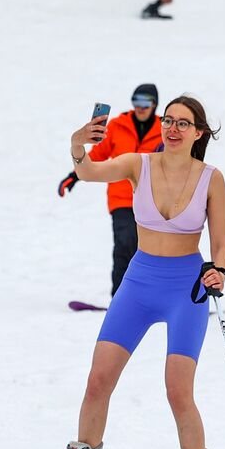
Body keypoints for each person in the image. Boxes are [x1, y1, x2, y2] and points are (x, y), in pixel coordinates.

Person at [51, 96, 225, 449]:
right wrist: (79, 146)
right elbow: (88, 171)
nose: (172, 128)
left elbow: (220, 242)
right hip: (138, 283)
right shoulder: (139, 164)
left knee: (177, 390)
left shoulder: (211, 179)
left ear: (198, 132)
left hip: (185, 287)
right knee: (98, 380)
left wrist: (218, 271)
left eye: (182, 123)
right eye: (168, 120)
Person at [58, 85, 164, 297]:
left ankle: (153, 297)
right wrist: (74, 176)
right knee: (124, 246)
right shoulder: (117, 125)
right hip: (121, 199)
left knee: (150, 250)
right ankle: (120, 299)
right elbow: (98, 155)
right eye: (136, 101)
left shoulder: (164, 128)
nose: (140, 107)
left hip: (152, 201)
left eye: (145, 102)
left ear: (154, 104)